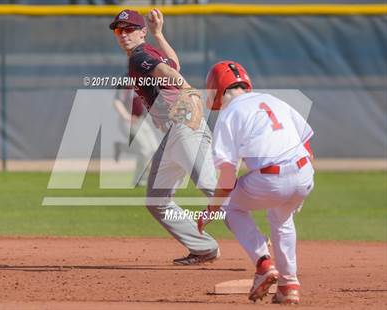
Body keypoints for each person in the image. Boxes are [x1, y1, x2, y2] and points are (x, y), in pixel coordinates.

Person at [198, 61, 315, 304]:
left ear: (215, 90)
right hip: (305, 174)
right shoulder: (274, 100)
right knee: (282, 218)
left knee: (231, 205)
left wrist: (211, 210)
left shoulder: (229, 115)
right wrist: (296, 189)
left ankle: (263, 264)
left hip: (271, 178)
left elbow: (228, 178)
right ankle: (288, 285)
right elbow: (307, 147)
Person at [110, 9, 219, 265]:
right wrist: (159, 34)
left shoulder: (139, 56)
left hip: (183, 123)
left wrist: (187, 88)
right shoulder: (150, 51)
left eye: (129, 29)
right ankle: (204, 248)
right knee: (157, 201)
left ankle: (259, 240)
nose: (124, 34)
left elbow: (168, 72)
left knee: (210, 186)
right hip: (175, 131)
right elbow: (174, 63)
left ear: (141, 32)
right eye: (119, 30)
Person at [113, 85, 158, 187]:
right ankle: (139, 181)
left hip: (141, 120)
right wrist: (126, 116)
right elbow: (117, 101)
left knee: (154, 149)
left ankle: (121, 147)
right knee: (145, 151)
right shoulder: (127, 81)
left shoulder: (143, 80)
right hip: (129, 121)